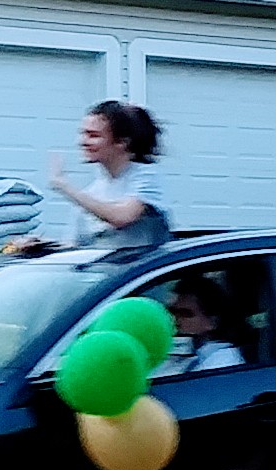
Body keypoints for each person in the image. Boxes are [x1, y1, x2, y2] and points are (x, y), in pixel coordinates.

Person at [49, 100, 170, 247]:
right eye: (83, 134)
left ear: (122, 142)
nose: (82, 142)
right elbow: (72, 247)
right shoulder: (93, 191)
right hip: (104, 270)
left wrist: (64, 186)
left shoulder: (146, 176)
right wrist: (38, 248)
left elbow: (122, 217)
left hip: (147, 269)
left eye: (93, 135)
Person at [157, 273, 246, 374]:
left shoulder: (223, 361)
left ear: (212, 322)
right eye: (172, 312)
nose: (175, 319)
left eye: (185, 314)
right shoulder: (179, 352)